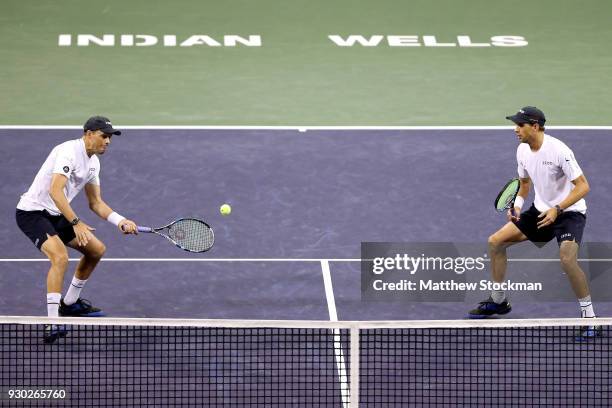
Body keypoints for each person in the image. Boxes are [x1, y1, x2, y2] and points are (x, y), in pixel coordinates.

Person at [468, 106, 599, 339]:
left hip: (568, 213)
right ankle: (499, 301)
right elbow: (525, 184)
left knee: (567, 260)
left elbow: (583, 186)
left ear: (535, 126)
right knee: (495, 242)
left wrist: (557, 209)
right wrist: (517, 206)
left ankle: (590, 318)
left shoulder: (559, 150)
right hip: (541, 211)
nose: (516, 130)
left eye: (520, 125)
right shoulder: (522, 151)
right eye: (515, 125)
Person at [16, 116, 138, 343]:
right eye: (104, 135)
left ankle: (70, 304)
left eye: (110, 137)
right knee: (60, 257)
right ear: (88, 133)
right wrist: (75, 222)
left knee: (96, 250)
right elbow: (55, 190)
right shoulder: (67, 151)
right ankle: (51, 323)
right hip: (33, 213)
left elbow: (96, 203)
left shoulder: (94, 163)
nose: (108, 141)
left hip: (57, 214)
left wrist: (120, 220)